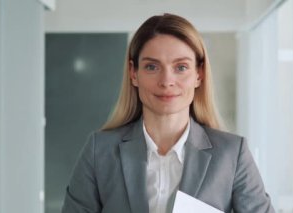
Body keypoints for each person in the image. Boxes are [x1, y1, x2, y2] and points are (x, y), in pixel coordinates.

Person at [62, 13, 275, 213]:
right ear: (133, 73)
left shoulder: (232, 155)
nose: (166, 81)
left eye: (181, 67)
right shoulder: (99, 151)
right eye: (152, 67)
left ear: (199, 74)